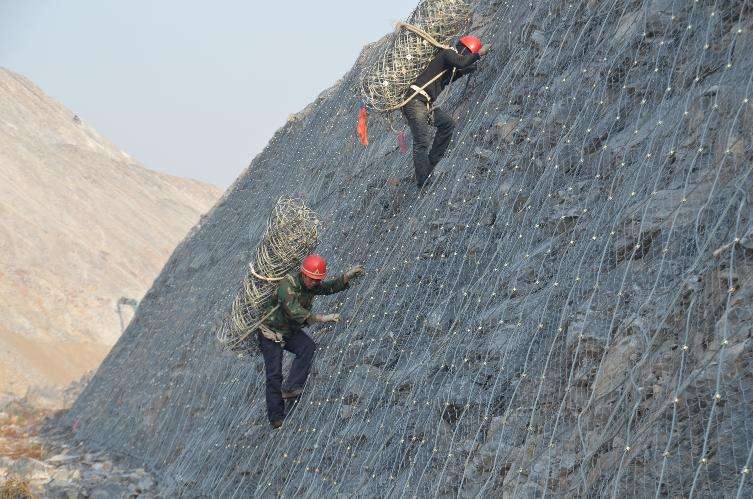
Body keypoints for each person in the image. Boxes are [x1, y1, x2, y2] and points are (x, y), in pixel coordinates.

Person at [258, 254, 364, 428]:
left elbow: (327, 288)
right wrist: (321, 318)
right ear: (303, 274)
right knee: (274, 374)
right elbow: (293, 310)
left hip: (288, 330)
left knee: (307, 347)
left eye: (317, 280)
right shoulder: (288, 284)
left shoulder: (311, 284)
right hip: (271, 332)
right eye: (312, 279)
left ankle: (291, 387)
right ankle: (276, 418)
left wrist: (346, 277)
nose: (315, 283)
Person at [402, 35, 490, 187]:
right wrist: (479, 54)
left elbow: (458, 71)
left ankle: (429, 167)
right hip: (415, 102)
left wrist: (473, 66)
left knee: (447, 124)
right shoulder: (447, 53)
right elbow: (461, 62)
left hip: (425, 105)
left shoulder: (449, 66)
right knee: (422, 141)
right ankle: (423, 181)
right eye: (469, 54)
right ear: (465, 50)